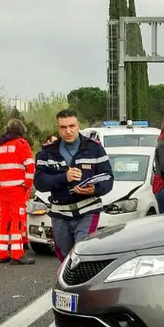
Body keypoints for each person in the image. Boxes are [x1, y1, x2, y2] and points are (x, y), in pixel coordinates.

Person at [34, 109, 114, 260]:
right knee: (65, 257)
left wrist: (94, 189)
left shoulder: (94, 149)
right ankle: (68, 282)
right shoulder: (47, 152)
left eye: (72, 126)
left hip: (88, 210)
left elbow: (108, 179)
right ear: (58, 128)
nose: (68, 131)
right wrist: (64, 177)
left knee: (82, 252)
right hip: (60, 213)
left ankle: (85, 283)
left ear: (78, 125)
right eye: (63, 127)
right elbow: (39, 183)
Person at [0, 119, 36, 265]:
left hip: (3, 189)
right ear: (20, 130)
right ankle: (17, 254)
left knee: (4, 220)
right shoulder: (21, 144)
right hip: (17, 189)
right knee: (18, 220)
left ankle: (2, 253)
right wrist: (27, 184)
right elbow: (30, 166)